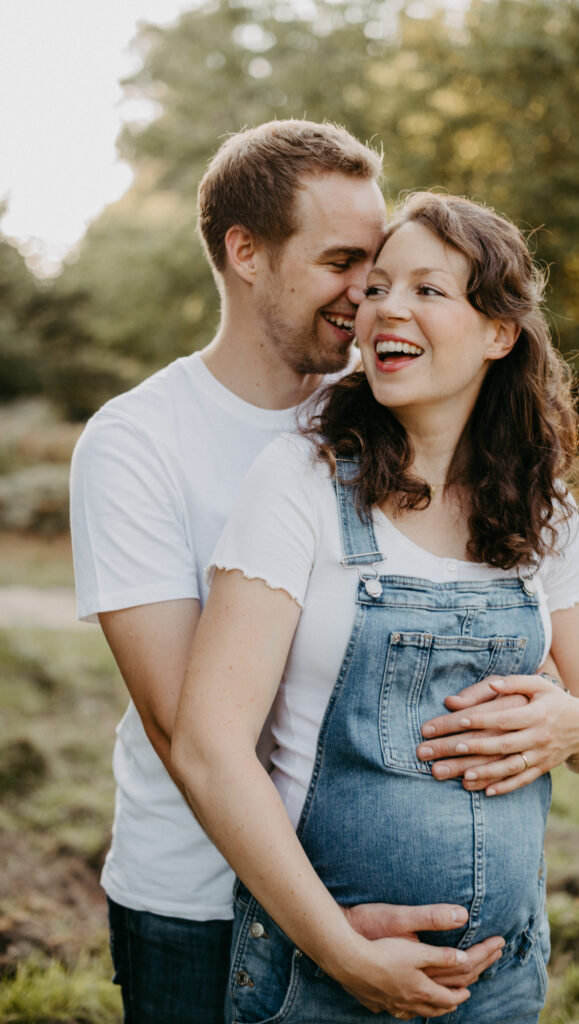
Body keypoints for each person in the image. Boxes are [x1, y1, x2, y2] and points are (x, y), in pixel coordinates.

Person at [70, 123, 506, 1024]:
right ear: (246, 253)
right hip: (200, 905)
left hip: (377, 900)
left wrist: (565, 714)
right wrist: (328, 930)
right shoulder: (136, 441)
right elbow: (181, 724)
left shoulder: (385, 406)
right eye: (344, 260)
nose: (370, 294)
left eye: (378, 262)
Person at [173, 192, 579, 1023]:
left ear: (499, 332)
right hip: (324, 980)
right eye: (378, 286)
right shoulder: (300, 482)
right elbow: (209, 747)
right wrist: (341, 953)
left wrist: (575, 725)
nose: (385, 306)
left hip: (504, 978)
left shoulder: (541, 507)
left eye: (428, 289)